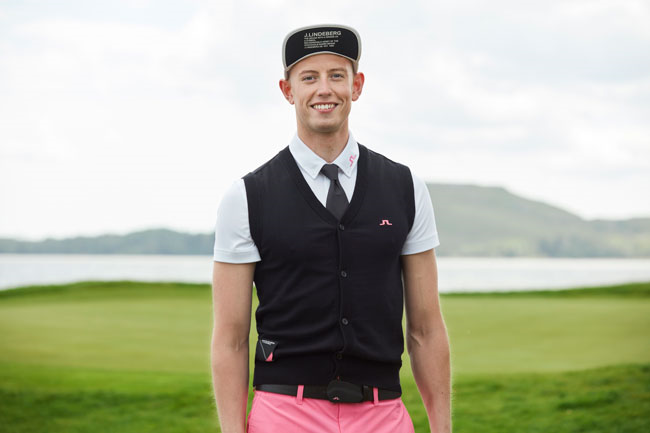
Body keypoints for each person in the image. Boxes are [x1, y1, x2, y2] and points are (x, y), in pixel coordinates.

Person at [211, 24, 451, 433]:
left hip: (383, 415)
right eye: (309, 77)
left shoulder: (405, 187)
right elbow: (231, 339)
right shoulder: (247, 196)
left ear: (356, 86)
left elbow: (426, 330)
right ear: (288, 91)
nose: (324, 89)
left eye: (336, 75)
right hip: (284, 414)